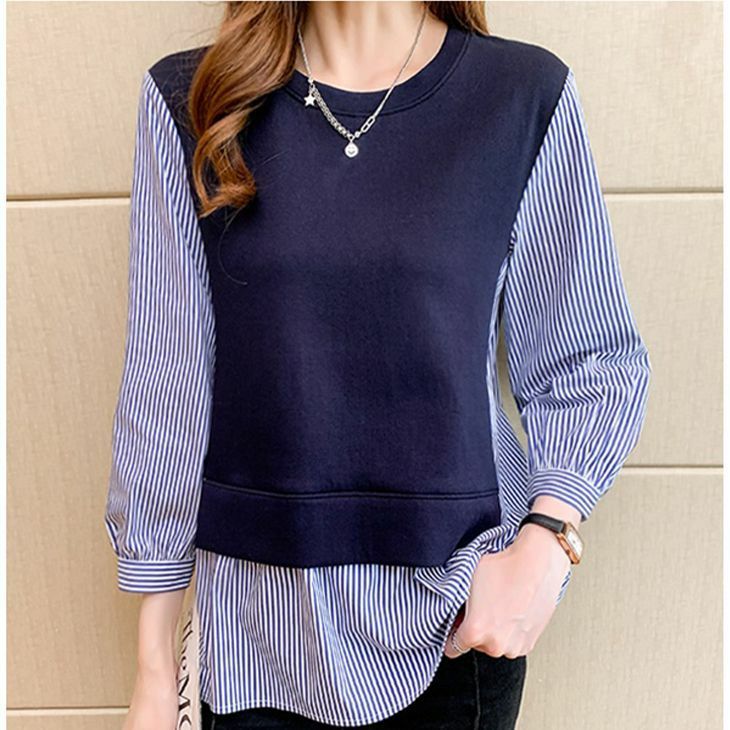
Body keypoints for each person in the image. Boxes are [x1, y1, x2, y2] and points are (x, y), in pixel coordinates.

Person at [104, 2, 652, 728]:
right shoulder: (195, 103)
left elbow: (590, 359)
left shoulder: (520, 97)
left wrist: (547, 544)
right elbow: (166, 382)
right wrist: (152, 668)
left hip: (457, 629)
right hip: (256, 645)